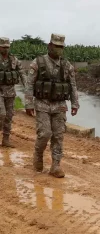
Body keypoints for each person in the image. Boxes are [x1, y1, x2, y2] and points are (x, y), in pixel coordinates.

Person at [25, 33, 80, 178]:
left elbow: (73, 86)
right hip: (42, 104)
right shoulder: (38, 62)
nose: (58, 49)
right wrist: (28, 103)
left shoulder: (67, 65)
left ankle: (56, 166)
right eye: (56, 46)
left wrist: (75, 103)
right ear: (49, 46)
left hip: (60, 105)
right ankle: (38, 154)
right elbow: (29, 84)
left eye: (61, 47)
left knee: (58, 136)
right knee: (45, 134)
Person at [0, 37, 27, 147]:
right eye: (3, 47)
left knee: (9, 116)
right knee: (2, 114)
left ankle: (5, 139)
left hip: (10, 92)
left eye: (7, 47)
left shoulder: (14, 60)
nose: (6, 49)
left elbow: (22, 73)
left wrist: (27, 87)